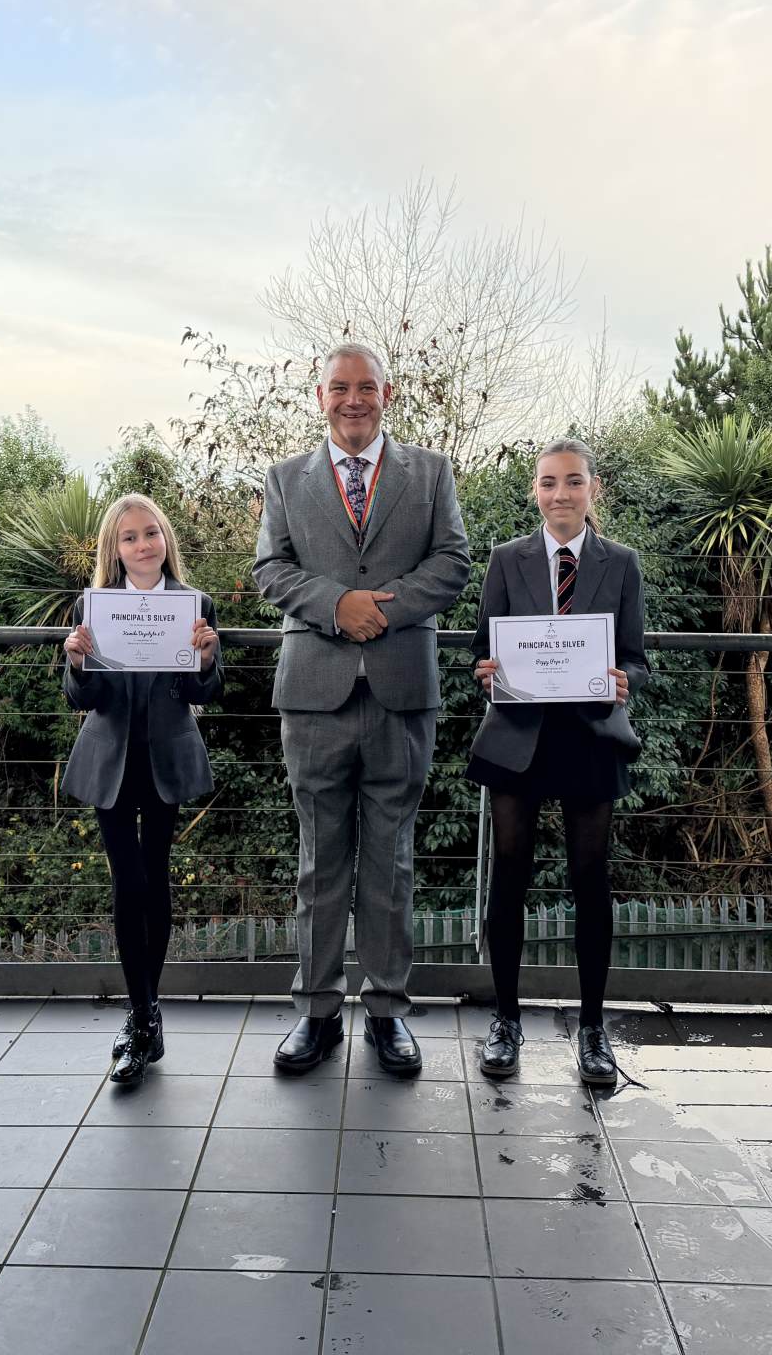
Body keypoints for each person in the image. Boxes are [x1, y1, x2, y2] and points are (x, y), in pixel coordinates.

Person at [253, 342, 470, 1075]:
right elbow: (270, 569)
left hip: (401, 693)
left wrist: (380, 610)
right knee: (320, 861)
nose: (354, 399)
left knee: (391, 861)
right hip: (314, 694)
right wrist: (336, 605)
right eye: (340, 387)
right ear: (321, 397)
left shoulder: (431, 473)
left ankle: (387, 1011)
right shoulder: (285, 479)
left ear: (387, 394)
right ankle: (316, 1013)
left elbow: (453, 562)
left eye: (367, 387)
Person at [468, 438, 648, 1085]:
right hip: (517, 738)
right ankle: (506, 1021)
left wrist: (624, 680)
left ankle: (594, 1028)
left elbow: (636, 658)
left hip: (590, 737)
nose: (560, 494)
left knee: (590, 879)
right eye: (548, 483)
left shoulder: (621, 563)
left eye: (573, 481)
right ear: (535, 491)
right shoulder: (505, 559)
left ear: (593, 488)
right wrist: (487, 672)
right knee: (510, 876)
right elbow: (482, 651)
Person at [62, 493, 223, 1085]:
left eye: (150, 532)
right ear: (115, 548)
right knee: (127, 882)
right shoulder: (93, 606)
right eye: (129, 537)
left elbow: (205, 692)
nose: (142, 544)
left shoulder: (195, 604)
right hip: (110, 758)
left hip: (165, 758)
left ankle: (142, 1018)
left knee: (155, 877)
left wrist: (205, 659)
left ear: (165, 538)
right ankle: (143, 1014)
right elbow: (82, 698)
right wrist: (76, 662)